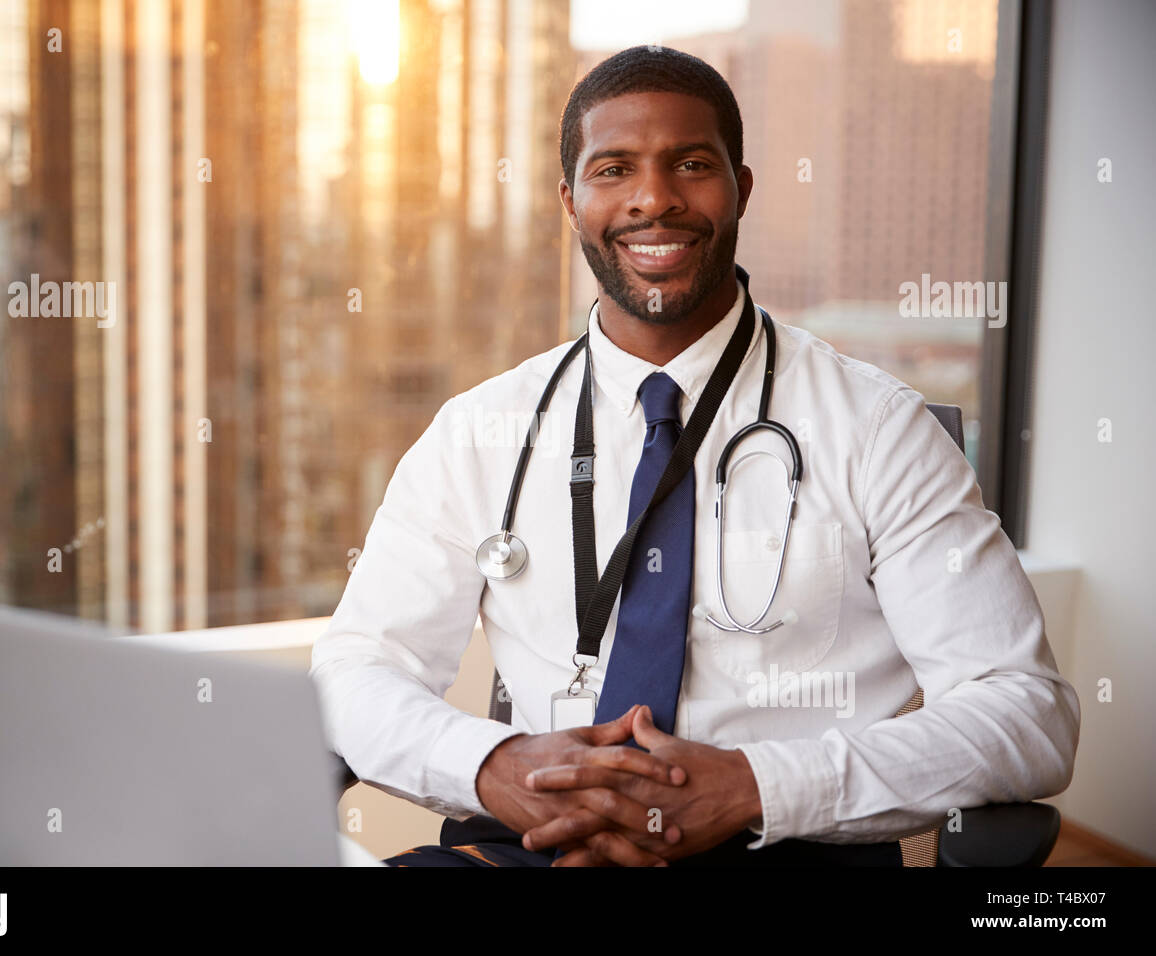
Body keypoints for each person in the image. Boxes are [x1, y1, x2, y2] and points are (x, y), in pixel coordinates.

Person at [308, 46, 1080, 867]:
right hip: (533, 843)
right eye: (614, 170)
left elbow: (1026, 711)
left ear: (741, 187)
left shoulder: (877, 428)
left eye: (690, 164)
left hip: (782, 844)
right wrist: (496, 767)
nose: (654, 199)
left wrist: (755, 785)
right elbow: (355, 671)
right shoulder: (480, 431)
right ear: (570, 202)